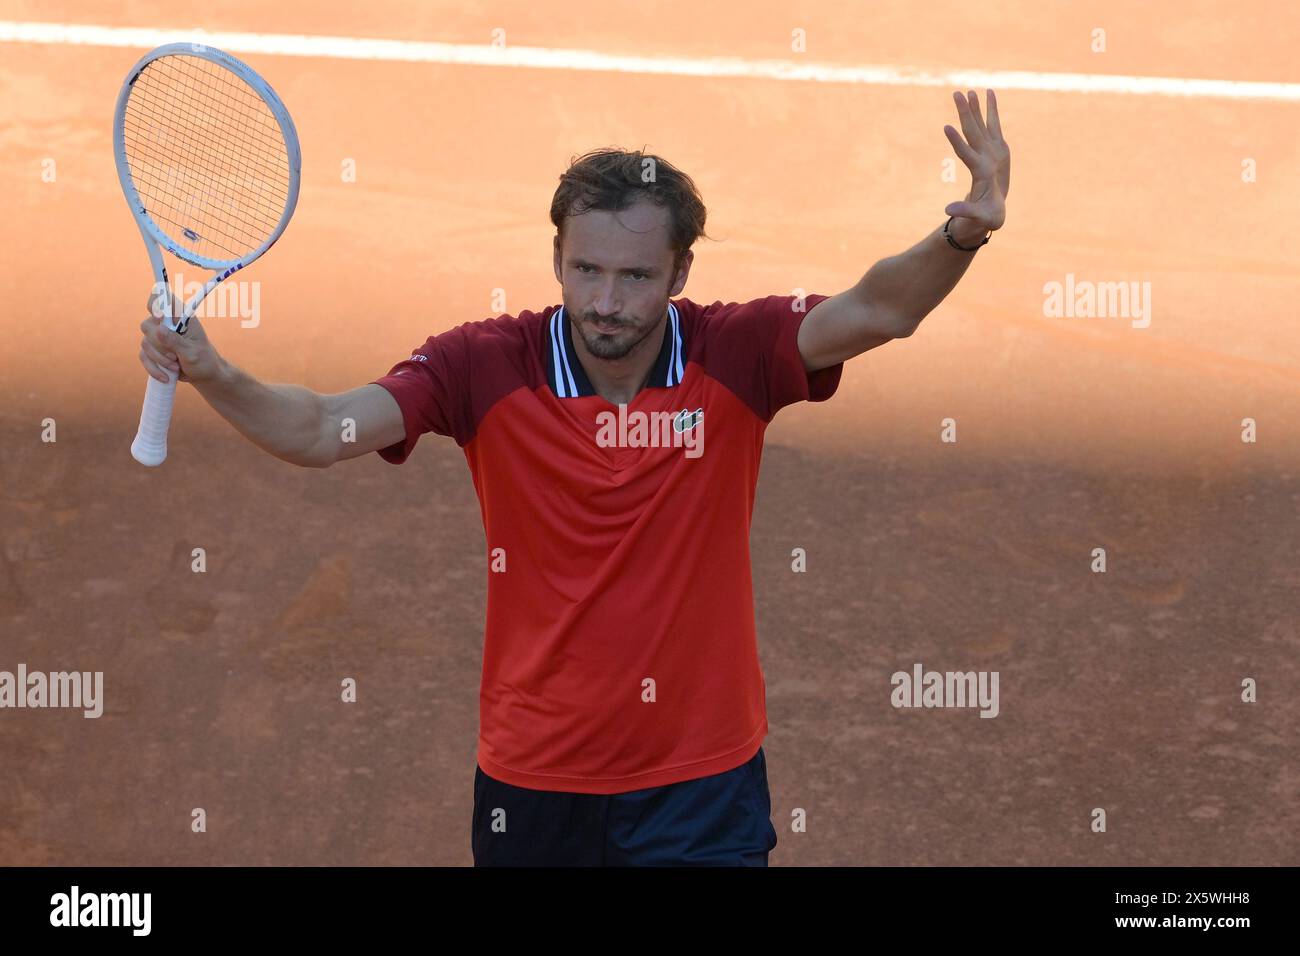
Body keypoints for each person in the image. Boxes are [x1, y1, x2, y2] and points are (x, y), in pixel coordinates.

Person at [138, 90, 1010, 866]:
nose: (604, 301)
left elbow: (880, 309)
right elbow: (318, 431)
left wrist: (962, 229)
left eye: (635, 277)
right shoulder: (481, 366)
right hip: (535, 782)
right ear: (557, 258)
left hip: (699, 783)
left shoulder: (734, 353)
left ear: (679, 274)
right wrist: (214, 373)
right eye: (586, 270)